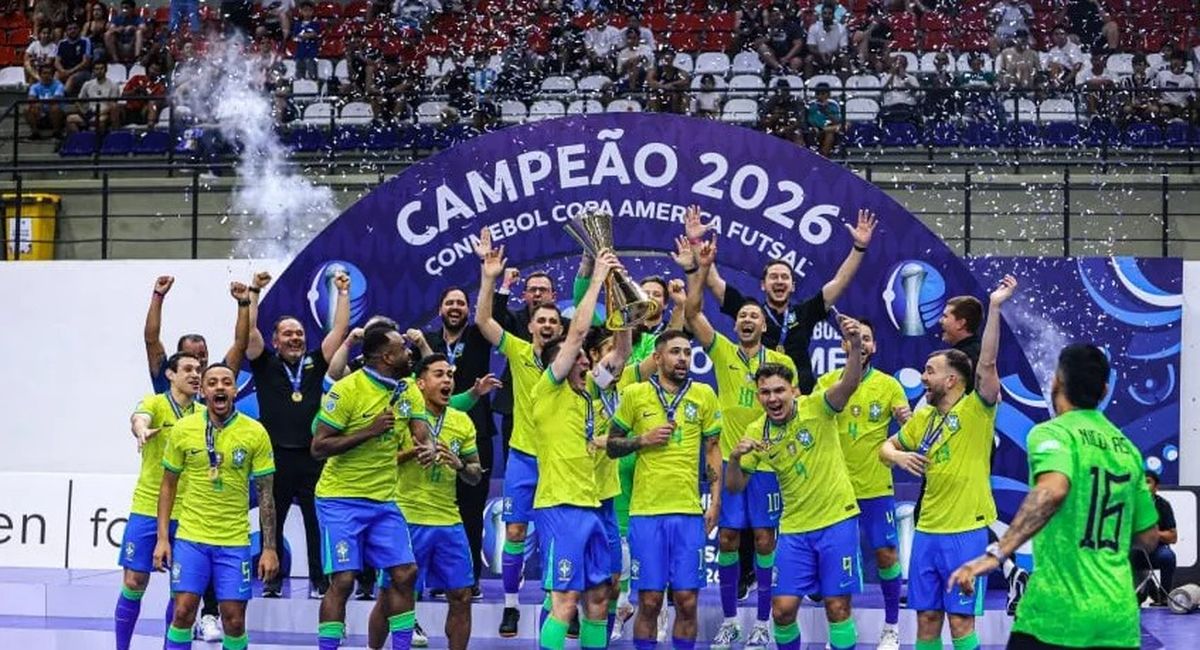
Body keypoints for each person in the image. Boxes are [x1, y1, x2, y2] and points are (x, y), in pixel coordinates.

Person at [947, 343, 1162, 648]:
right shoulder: (1128, 450)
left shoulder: (1053, 433)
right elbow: (1148, 537)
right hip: (1118, 616)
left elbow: (1053, 489)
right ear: (1103, 391)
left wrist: (998, 553)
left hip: (1056, 614)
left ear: (1056, 381)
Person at [880, 275, 1016, 650]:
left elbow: (987, 363)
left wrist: (995, 306)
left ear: (953, 379)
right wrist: (898, 454)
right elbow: (885, 448)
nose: (924, 377)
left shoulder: (978, 410)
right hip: (926, 533)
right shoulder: (923, 416)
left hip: (965, 534)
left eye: (929, 371)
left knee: (960, 622)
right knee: (926, 620)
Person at [680, 236, 796, 650]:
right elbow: (692, 315)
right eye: (742, 315)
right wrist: (697, 271)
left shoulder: (782, 365)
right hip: (732, 466)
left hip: (767, 467)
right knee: (728, 540)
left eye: (754, 316)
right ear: (736, 324)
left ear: (764, 324)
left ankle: (763, 623)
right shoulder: (723, 351)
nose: (747, 320)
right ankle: (730, 622)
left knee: (765, 540)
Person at [727, 317, 867, 650]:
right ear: (758, 396)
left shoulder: (818, 407)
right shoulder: (755, 431)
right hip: (793, 529)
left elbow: (848, 385)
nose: (772, 398)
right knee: (783, 611)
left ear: (794, 390)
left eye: (779, 391)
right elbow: (734, 486)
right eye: (765, 392)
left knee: (837, 608)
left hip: (837, 521)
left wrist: (856, 347)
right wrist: (734, 457)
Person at [531, 249, 632, 650]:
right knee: (566, 601)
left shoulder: (593, 388)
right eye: (575, 360)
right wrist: (596, 280)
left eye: (585, 361)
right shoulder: (548, 390)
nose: (584, 363)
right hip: (561, 505)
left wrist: (618, 291)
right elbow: (575, 335)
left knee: (599, 597)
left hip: (596, 504)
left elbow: (622, 353)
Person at [312, 323, 435, 650]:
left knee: (406, 573)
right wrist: (369, 430)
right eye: (402, 349)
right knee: (343, 581)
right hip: (340, 499)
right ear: (386, 356)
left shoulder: (408, 389)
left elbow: (422, 430)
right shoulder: (347, 390)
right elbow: (319, 446)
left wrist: (429, 446)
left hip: (383, 501)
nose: (409, 354)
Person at [607, 329, 723, 650]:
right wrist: (643, 440)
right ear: (657, 358)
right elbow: (612, 446)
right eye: (675, 352)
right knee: (650, 601)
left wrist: (715, 502)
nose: (683, 358)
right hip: (646, 513)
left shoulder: (703, 394)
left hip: (687, 514)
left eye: (687, 352)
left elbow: (713, 448)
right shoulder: (634, 394)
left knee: (686, 601)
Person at [473, 231, 565, 637]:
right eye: (541, 320)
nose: (546, 325)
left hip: (560, 462)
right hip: (523, 458)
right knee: (513, 532)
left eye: (553, 321)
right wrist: (490, 277)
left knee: (552, 538)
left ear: (561, 329)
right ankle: (510, 606)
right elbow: (482, 320)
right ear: (530, 326)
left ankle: (555, 604)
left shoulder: (570, 361)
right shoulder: (516, 349)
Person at [153, 363, 279, 650]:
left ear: (235, 390)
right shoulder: (184, 429)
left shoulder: (255, 432)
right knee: (183, 612)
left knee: (234, 621)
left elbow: (267, 494)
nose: (220, 387)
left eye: (226, 382)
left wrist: (270, 548)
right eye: (212, 382)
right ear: (203, 391)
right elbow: (168, 485)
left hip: (234, 541)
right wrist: (162, 538)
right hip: (191, 539)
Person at [365, 354, 487, 650]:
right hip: (407, 519)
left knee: (462, 596)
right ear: (420, 384)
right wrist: (411, 453)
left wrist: (459, 464)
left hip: (449, 522)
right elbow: (378, 462)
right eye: (438, 375)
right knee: (390, 596)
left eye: (449, 375)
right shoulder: (402, 417)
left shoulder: (462, 421)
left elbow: (475, 475)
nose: (447, 380)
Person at [689, 207, 876, 394]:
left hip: (800, 401)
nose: (779, 281)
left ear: (793, 286)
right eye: (774, 277)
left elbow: (840, 282)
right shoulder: (750, 312)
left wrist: (859, 247)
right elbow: (713, 282)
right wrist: (696, 241)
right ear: (763, 284)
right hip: (762, 397)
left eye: (784, 277)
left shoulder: (805, 313)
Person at [247, 270, 351, 599]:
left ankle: (321, 581)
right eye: (287, 334)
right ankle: (272, 580)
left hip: (312, 455)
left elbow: (338, 331)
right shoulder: (264, 363)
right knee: (271, 522)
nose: (295, 338)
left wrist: (343, 292)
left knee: (315, 521)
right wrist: (253, 294)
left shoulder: (316, 362)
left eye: (299, 333)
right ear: (275, 340)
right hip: (274, 456)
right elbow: (247, 332)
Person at [816, 318, 911, 650]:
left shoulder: (889, 386)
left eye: (868, 339)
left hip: (876, 489)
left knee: (886, 555)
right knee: (838, 561)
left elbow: (910, 431)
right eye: (856, 339)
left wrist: (905, 428)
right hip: (835, 491)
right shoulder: (826, 383)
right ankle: (841, 631)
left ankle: (891, 628)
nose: (862, 343)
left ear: (874, 346)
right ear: (845, 345)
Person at [116, 352, 204, 650]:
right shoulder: (155, 402)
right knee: (134, 582)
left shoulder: (203, 415)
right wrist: (141, 430)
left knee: (181, 595)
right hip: (148, 506)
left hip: (189, 513)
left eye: (199, 370)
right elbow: (139, 418)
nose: (196, 375)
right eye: (188, 369)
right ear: (170, 374)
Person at [418, 286, 499, 598]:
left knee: (471, 508)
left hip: (473, 432)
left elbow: (488, 314)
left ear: (468, 309)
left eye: (461, 303)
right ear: (440, 309)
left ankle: (468, 579)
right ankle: (434, 579)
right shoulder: (429, 343)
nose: (455, 307)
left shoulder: (478, 336)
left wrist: (488, 276)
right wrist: (424, 345)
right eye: (449, 302)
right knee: (434, 508)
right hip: (430, 434)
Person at [1132, 470, 1178, 606]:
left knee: (1168, 557)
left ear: (1156, 487)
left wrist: (1152, 533)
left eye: (1148, 482)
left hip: (1156, 551)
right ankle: (1146, 588)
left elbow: (1173, 537)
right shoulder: (1128, 504)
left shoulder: (1163, 505)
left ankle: (1163, 597)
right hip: (1133, 551)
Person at [938, 295, 983, 391]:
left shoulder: (962, 359)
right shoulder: (980, 352)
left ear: (961, 323)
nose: (940, 321)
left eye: (945, 316)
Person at [70, 60, 120, 134]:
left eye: (101, 68)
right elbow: (78, 101)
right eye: (97, 69)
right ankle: (80, 140)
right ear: (93, 70)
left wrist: (99, 113)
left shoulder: (113, 85)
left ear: (106, 70)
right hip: (89, 113)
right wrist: (84, 112)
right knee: (70, 119)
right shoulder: (87, 84)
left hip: (103, 113)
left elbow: (112, 105)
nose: (99, 71)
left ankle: (99, 143)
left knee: (100, 120)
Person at [25, 65, 66, 139]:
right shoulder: (34, 86)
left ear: (52, 75)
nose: (46, 75)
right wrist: (37, 104)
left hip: (56, 115)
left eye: (49, 73)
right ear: (40, 75)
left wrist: (40, 103)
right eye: (44, 73)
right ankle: (35, 133)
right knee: (27, 108)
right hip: (40, 113)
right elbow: (31, 99)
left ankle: (57, 132)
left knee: (55, 108)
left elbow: (56, 99)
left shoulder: (59, 85)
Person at [54, 21, 93, 96]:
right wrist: (62, 71)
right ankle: (52, 97)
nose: (73, 31)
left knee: (72, 78)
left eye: (75, 28)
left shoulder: (85, 41)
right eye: (70, 29)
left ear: (79, 30)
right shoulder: (62, 43)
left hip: (82, 72)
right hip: (66, 70)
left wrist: (70, 72)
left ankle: (63, 97)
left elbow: (85, 62)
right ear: (66, 32)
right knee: (56, 75)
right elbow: (56, 62)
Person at [806, 83, 843, 157]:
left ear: (828, 94)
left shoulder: (833, 104)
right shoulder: (811, 105)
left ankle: (823, 157)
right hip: (814, 129)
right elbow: (809, 120)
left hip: (828, 129)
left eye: (823, 93)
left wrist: (826, 110)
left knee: (831, 133)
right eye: (818, 93)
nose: (820, 96)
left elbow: (837, 121)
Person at [292, 1, 322, 81]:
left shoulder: (315, 24)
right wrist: (307, 36)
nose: (307, 13)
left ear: (312, 12)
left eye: (309, 10)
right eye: (305, 10)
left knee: (312, 74)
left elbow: (316, 34)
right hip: (300, 53)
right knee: (299, 74)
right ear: (301, 11)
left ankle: (314, 90)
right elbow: (295, 37)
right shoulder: (297, 24)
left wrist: (304, 36)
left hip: (311, 53)